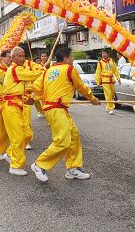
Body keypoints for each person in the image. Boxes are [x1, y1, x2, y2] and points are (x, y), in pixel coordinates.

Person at [30, 47, 100, 182]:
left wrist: (33, 96)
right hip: (56, 109)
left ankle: (73, 168)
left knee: (74, 137)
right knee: (63, 141)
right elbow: (81, 87)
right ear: (65, 58)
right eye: (71, 57)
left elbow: (37, 87)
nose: (72, 59)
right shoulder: (69, 69)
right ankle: (40, 165)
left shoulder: (48, 71)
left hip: (57, 109)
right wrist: (92, 99)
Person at [1, 47, 43, 176]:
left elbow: (26, 86)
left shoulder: (19, 70)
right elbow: (33, 74)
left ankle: (9, 154)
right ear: (12, 58)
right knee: (18, 137)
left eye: (23, 56)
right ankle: (15, 166)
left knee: (27, 134)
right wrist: (43, 69)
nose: (22, 58)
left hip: (19, 105)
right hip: (11, 106)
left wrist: (31, 95)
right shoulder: (15, 69)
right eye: (18, 56)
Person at [95, 49, 120, 115]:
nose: (104, 54)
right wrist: (97, 82)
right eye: (103, 53)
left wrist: (118, 78)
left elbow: (115, 70)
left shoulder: (112, 61)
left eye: (105, 53)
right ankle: (111, 108)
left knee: (112, 94)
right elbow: (98, 72)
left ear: (107, 54)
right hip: (105, 80)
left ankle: (107, 103)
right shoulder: (100, 63)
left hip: (111, 79)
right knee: (108, 94)